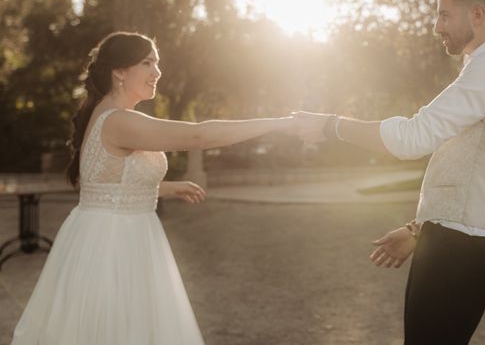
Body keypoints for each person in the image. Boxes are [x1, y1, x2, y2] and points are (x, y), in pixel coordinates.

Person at [293, 0, 485, 344]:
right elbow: (470, 168)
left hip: (460, 253)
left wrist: (331, 125)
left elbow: (412, 139)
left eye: (444, 15)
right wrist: (419, 230)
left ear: (477, 14)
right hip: (461, 245)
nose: (436, 26)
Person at [12, 31, 294, 345]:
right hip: (114, 245)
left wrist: (167, 186)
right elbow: (200, 136)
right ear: (119, 71)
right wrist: (279, 124)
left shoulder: (107, 114)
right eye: (147, 62)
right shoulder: (120, 121)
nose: (157, 72)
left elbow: (108, 183)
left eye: (157, 63)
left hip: (106, 232)